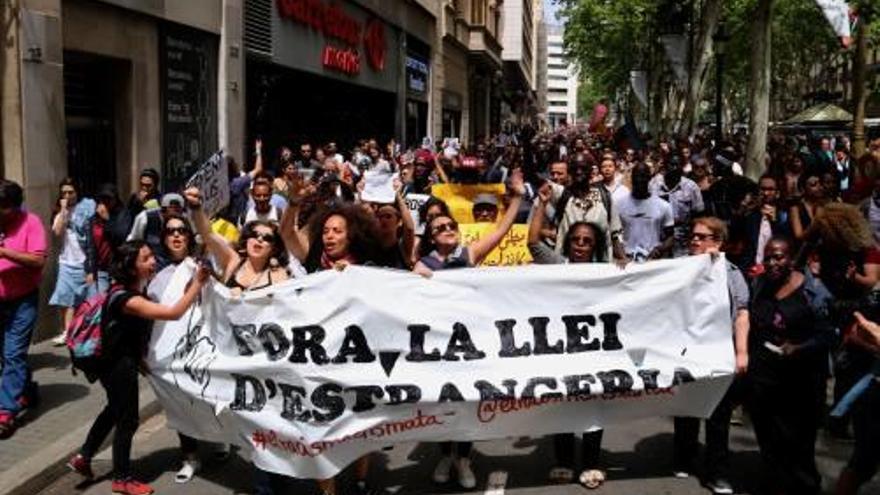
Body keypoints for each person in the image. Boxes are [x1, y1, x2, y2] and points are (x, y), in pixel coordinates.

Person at [66, 240, 210, 495]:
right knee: (128, 420)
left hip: (117, 362)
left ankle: (84, 456)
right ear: (132, 267)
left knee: (113, 409)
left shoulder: (127, 291)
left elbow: (128, 335)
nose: (152, 261)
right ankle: (122, 478)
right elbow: (173, 313)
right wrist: (198, 283)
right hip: (117, 366)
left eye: (151, 256)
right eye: (145, 259)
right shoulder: (128, 299)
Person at [414, 170, 526, 489]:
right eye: (440, 228)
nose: (448, 229)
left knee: (467, 403)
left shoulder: (470, 253)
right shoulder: (422, 269)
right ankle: (445, 454)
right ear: (432, 237)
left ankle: (463, 459)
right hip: (438, 348)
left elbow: (503, 229)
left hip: (470, 345)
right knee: (441, 403)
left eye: (451, 225)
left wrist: (516, 196)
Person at [528, 183, 606, 489]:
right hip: (561, 349)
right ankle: (562, 461)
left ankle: (591, 463)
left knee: (593, 405)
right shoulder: (558, 265)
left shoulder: (607, 271)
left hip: (594, 351)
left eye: (586, 241)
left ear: (594, 246)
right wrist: (540, 204)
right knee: (561, 402)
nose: (580, 245)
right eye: (575, 240)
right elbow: (533, 243)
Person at [143, 214, 229, 484]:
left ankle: (219, 438)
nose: (177, 235)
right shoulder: (157, 277)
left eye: (182, 230)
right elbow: (153, 319)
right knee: (179, 403)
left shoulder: (203, 266)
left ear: (190, 236)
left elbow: (222, 297)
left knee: (209, 395)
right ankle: (190, 456)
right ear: (164, 239)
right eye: (170, 232)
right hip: (171, 353)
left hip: (203, 346)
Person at [747, 236, 835, 495]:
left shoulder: (813, 291)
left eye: (779, 257)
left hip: (802, 381)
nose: (772, 263)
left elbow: (829, 335)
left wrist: (799, 348)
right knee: (769, 435)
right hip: (765, 377)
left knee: (799, 441)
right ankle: (775, 483)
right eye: (768, 257)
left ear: (792, 259)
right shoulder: (759, 284)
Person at [672, 217, 750, 494]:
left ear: (717, 242)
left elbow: (742, 313)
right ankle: (684, 457)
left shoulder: (730, 273)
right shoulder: (680, 268)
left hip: (720, 353)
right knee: (685, 408)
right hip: (687, 351)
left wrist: (741, 352)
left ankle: (717, 473)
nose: (694, 241)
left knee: (718, 414)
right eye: (693, 236)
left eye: (702, 237)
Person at [0, 180, 47, 439]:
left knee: (13, 353)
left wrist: (5, 253)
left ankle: (5, 412)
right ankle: (27, 390)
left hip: (22, 300)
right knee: (6, 357)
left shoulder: (31, 223)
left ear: (13, 207)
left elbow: (38, 260)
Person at [49, 179, 95, 346]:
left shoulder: (87, 208)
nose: (67, 196)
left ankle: (84, 331)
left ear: (77, 192)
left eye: (70, 192)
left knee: (85, 300)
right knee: (64, 299)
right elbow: (57, 231)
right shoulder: (61, 212)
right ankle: (67, 332)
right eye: (64, 193)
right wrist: (63, 210)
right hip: (66, 262)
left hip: (84, 262)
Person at [617, 163, 674, 262]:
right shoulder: (619, 205)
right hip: (627, 259)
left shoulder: (663, 206)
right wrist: (622, 255)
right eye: (636, 176)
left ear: (649, 178)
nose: (639, 180)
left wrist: (660, 249)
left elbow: (671, 237)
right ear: (631, 178)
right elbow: (614, 236)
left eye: (643, 176)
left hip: (652, 261)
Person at [650, 155, 704, 257]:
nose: (674, 168)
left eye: (677, 165)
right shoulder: (653, 185)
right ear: (665, 166)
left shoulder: (691, 187)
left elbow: (699, 216)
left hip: (682, 245)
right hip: (657, 244)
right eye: (672, 164)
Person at [127, 193, 186, 270]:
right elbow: (133, 241)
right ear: (163, 209)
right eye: (172, 209)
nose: (175, 216)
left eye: (178, 210)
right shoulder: (145, 217)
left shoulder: (184, 219)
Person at [790, 171, 826, 242]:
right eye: (813, 185)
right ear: (803, 189)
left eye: (820, 184)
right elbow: (799, 236)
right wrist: (817, 219)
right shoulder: (796, 208)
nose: (819, 187)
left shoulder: (824, 206)